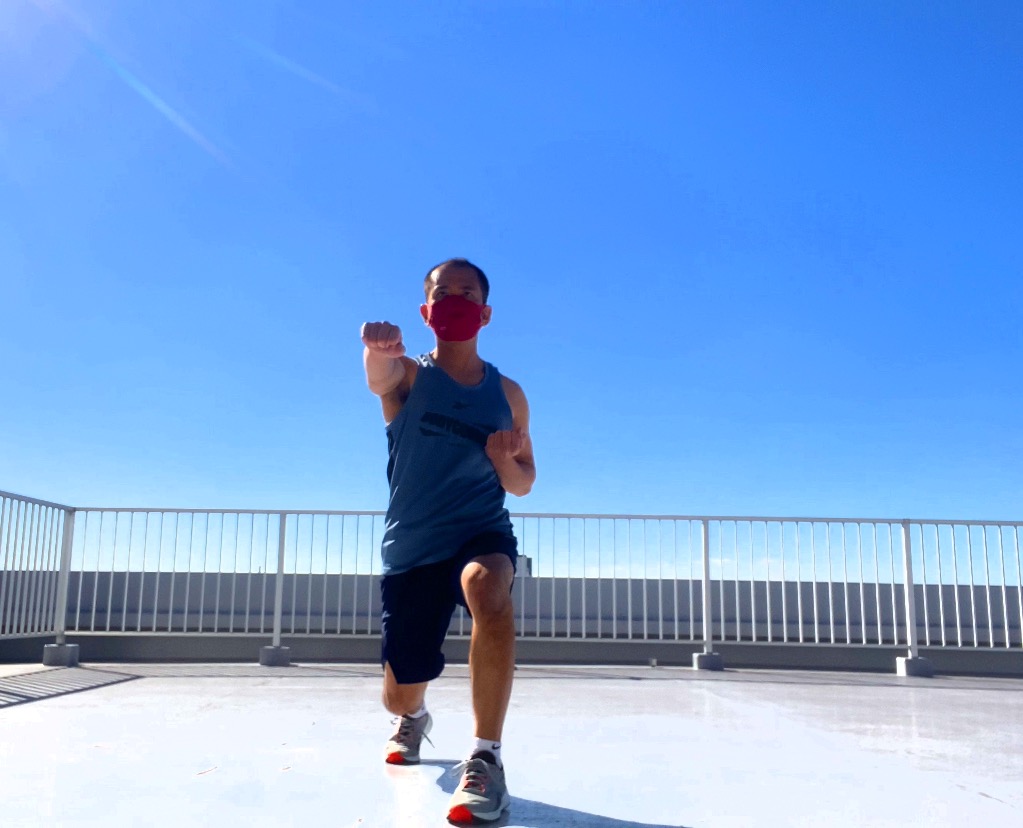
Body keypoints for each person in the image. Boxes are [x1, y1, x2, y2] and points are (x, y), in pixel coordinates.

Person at [360, 258, 536, 823]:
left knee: (488, 587)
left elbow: (524, 482)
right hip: (412, 548)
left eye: (467, 293)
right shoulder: (410, 377)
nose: (454, 300)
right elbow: (379, 380)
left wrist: (504, 461)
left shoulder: (507, 393)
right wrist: (378, 350)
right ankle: (413, 717)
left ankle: (486, 759)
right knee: (399, 693)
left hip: (480, 530)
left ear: (485, 313)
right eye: (443, 292)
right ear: (425, 310)